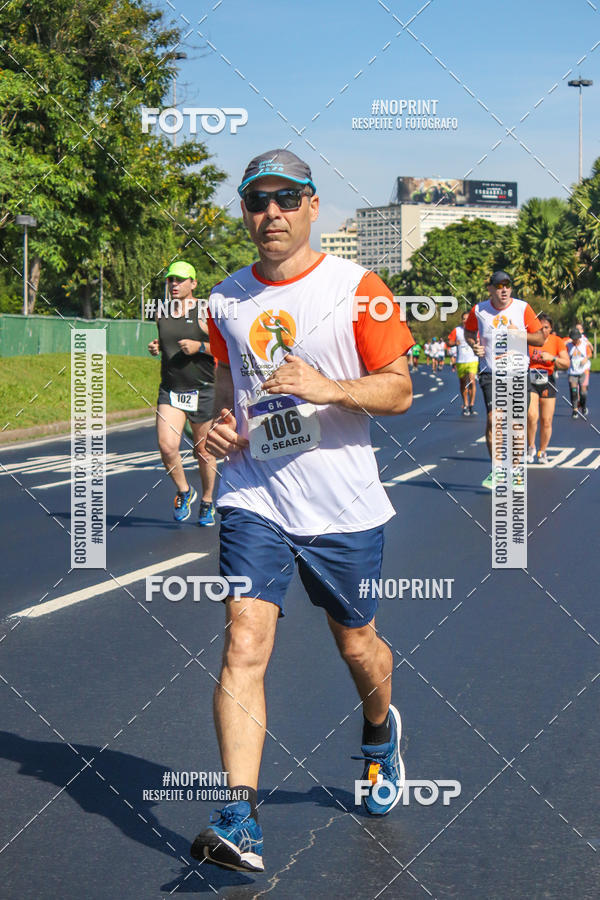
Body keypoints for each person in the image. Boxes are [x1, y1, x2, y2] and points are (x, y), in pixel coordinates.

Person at [189, 149, 414, 873]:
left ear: (314, 206)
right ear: (246, 212)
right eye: (258, 202)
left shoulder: (359, 288)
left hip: (341, 502)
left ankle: (380, 734)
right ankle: (239, 819)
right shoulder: (225, 299)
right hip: (256, 493)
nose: (272, 214)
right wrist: (217, 427)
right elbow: (229, 393)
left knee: (357, 647)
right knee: (243, 641)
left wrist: (328, 386)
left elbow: (400, 390)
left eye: (287, 199)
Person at [147, 261, 217, 524]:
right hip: (172, 389)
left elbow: (223, 350)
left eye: (180, 280)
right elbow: (166, 342)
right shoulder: (161, 312)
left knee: (204, 452)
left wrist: (200, 347)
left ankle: (208, 501)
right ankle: (185, 491)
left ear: (193, 283)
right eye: (170, 280)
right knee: (167, 447)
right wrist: (157, 346)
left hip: (203, 389)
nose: (174, 284)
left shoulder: (205, 311)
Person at [464, 271, 543, 488]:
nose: (504, 290)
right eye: (499, 286)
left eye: (507, 285)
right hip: (491, 373)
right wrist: (474, 345)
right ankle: (498, 470)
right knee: (493, 420)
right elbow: (468, 332)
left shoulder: (522, 308)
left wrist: (519, 334)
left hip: (518, 373)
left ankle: (516, 469)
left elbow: (540, 338)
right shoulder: (479, 310)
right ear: (490, 289)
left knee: (517, 424)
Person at [526, 314, 568, 463]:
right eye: (541, 327)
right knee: (531, 416)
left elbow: (566, 363)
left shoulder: (557, 342)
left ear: (551, 329)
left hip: (547, 380)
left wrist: (553, 358)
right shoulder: (529, 339)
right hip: (529, 379)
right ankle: (531, 446)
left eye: (546, 327)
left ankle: (542, 451)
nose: (543, 330)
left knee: (547, 420)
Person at [448, 312, 478, 415]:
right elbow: (449, 342)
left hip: (473, 359)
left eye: (468, 318)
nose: (466, 321)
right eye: (464, 319)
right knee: (463, 384)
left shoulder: (476, 330)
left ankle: (471, 405)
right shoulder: (457, 330)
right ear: (462, 320)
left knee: (472, 381)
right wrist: (455, 343)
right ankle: (465, 403)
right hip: (461, 360)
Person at [566, 326, 592, 418]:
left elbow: (589, 353)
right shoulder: (568, 346)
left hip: (583, 371)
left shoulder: (584, 344)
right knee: (573, 391)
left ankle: (583, 406)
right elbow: (564, 355)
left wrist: (586, 358)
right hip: (572, 373)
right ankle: (575, 410)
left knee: (583, 393)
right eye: (573, 339)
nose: (575, 340)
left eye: (576, 338)